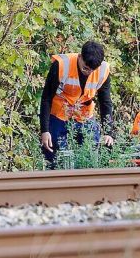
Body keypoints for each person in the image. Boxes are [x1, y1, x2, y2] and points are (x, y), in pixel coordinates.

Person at [39, 41, 114, 169]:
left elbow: (105, 102)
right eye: (85, 68)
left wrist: (108, 132)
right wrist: (45, 130)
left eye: (92, 70)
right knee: (54, 156)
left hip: (84, 117)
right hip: (59, 115)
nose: (88, 72)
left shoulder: (103, 70)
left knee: (88, 156)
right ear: (79, 57)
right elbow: (46, 98)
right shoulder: (62, 65)